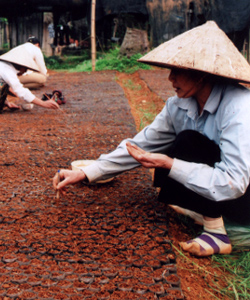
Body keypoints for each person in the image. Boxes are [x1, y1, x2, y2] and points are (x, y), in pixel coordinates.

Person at [53, 21, 250, 257]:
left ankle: (216, 232)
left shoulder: (239, 107)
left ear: (200, 75)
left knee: (188, 143)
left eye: (178, 70)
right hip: (224, 189)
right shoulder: (179, 105)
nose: (170, 78)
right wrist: (89, 172)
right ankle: (206, 212)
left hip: (244, 196)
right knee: (179, 150)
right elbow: (141, 145)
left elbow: (235, 182)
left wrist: (169, 163)